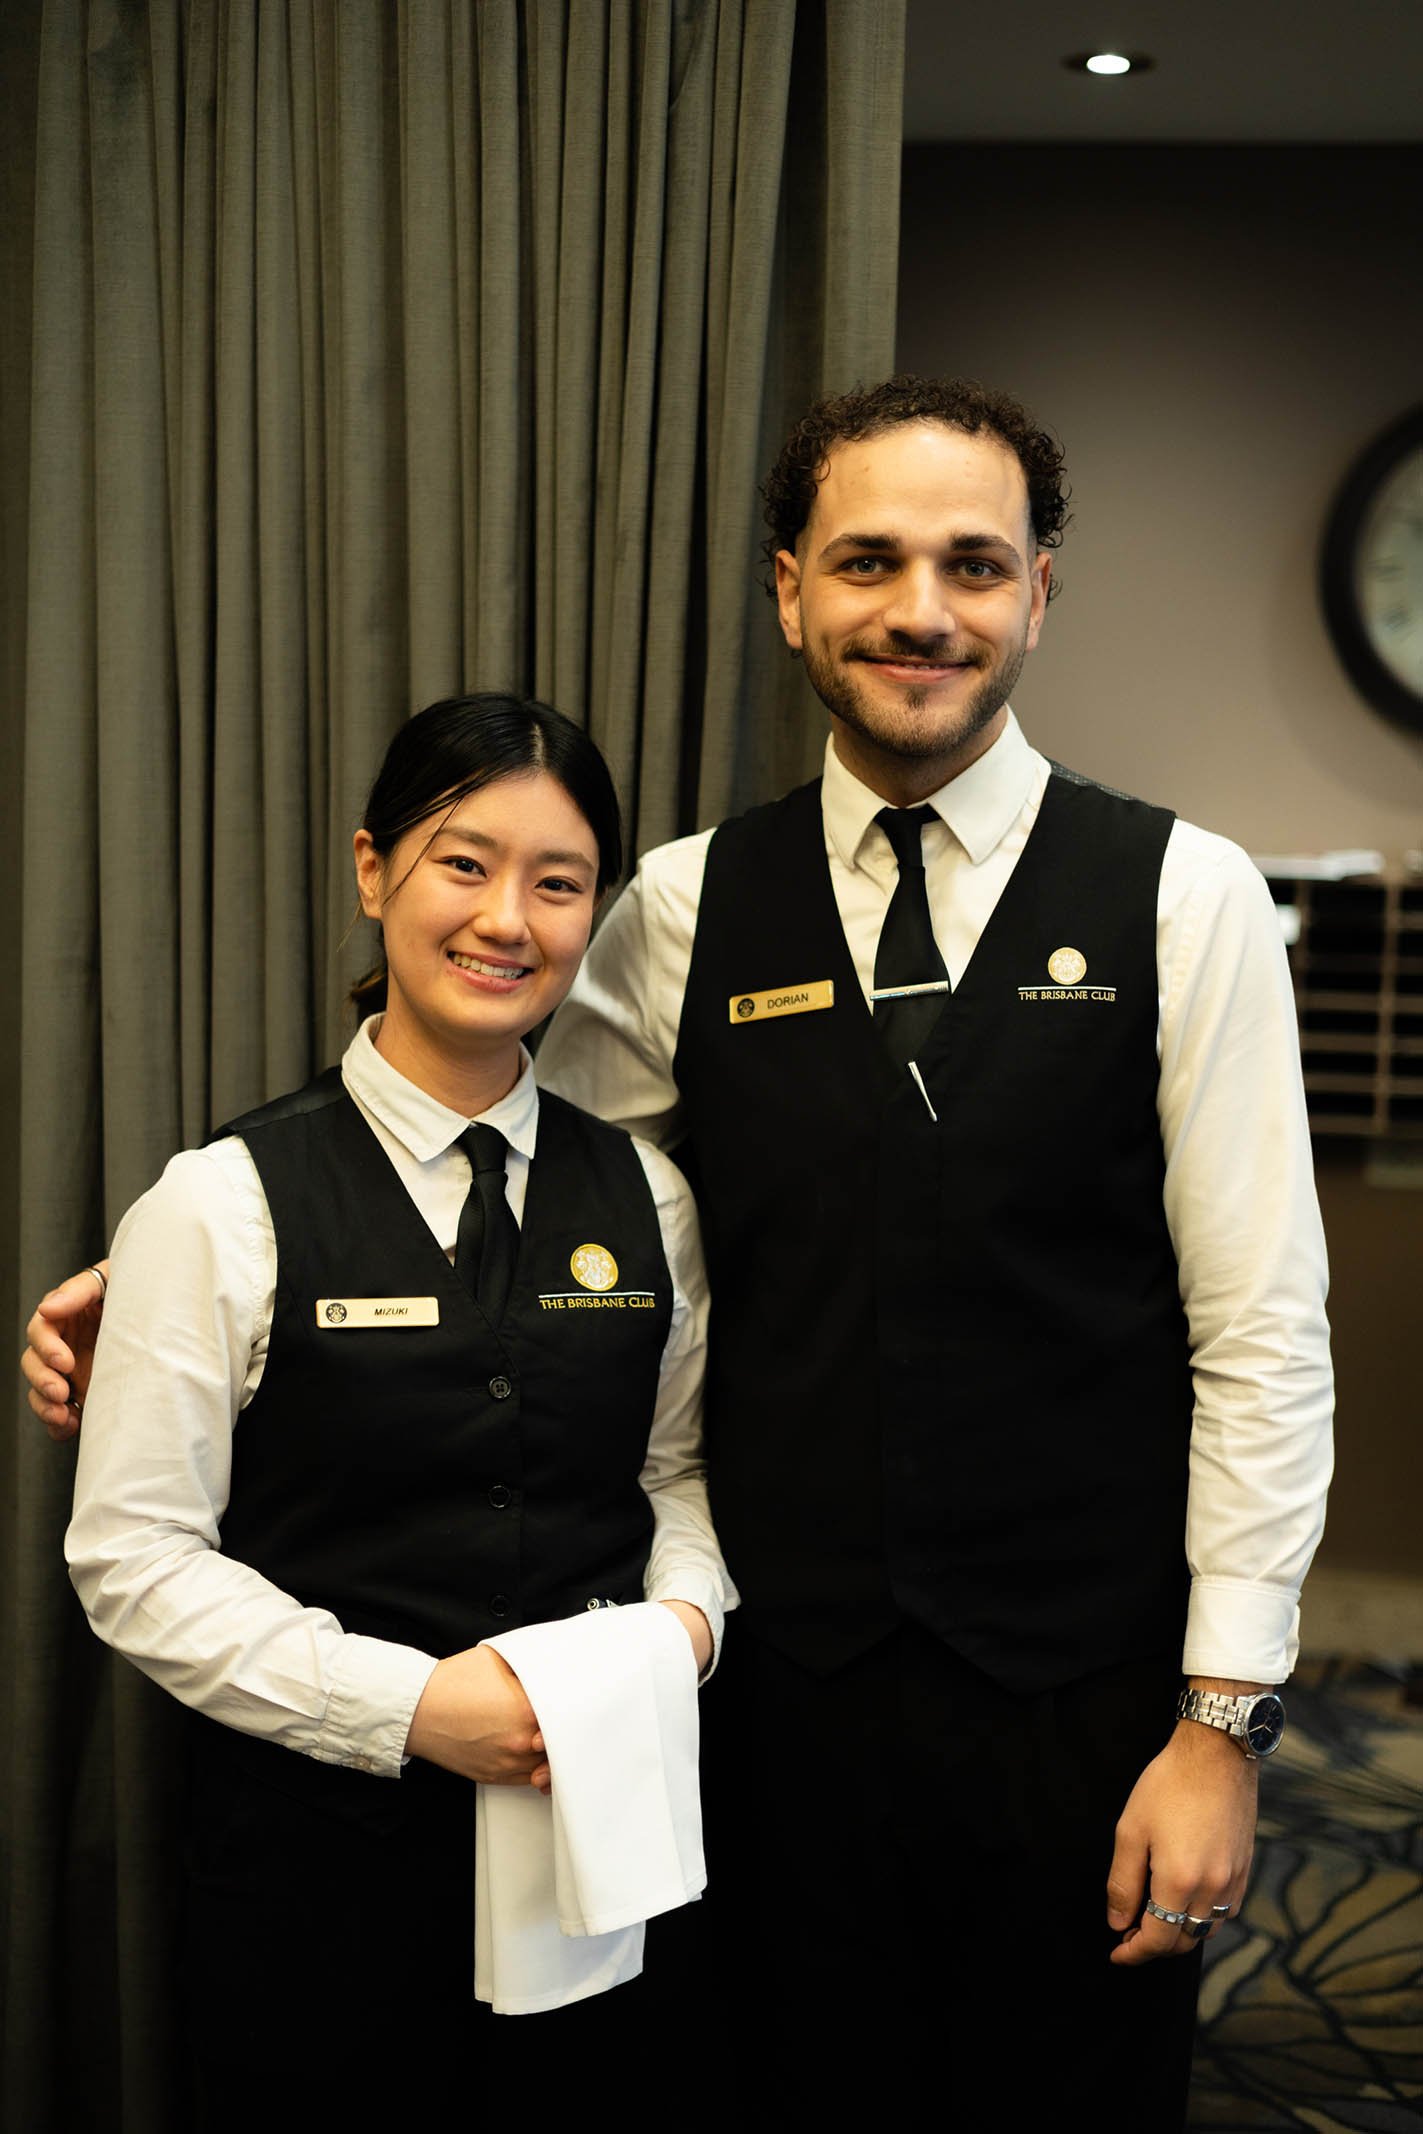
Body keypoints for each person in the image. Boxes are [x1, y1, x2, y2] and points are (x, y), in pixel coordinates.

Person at [27, 379, 1332, 2123]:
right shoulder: (678, 905)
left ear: (1040, 593)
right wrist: (189, 1266)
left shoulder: (1189, 896)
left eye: (973, 563)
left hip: (1082, 1703)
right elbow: (492, 1143)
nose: (920, 610)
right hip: (771, 1709)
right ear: (791, 590)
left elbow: (1265, 1329)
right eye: (868, 560)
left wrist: (1219, 1727)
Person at [40, 694, 734, 2129]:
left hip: (596, 1860)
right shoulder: (220, 1200)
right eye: (462, 863)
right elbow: (133, 1557)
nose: (509, 918)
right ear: (374, 873)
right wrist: (420, 1707)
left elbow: (674, 1475)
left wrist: (690, 1626)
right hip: (318, 1877)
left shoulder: (650, 1200)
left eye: (558, 882)